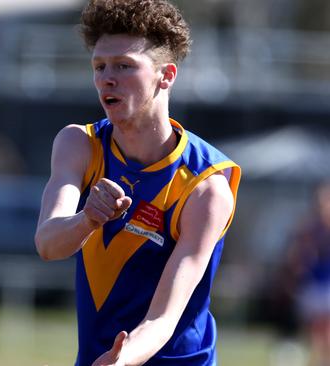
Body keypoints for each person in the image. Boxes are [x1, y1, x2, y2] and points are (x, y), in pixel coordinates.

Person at [34, 0, 241, 365]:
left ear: (167, 75)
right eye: (99, 66)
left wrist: (122, 359)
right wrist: (87, 219)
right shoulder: (78, 145)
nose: (106, 78)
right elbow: (48, 243)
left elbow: (163, 319)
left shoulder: (205, 187)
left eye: (125, 66)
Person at [280, 182, 330, 366]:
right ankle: (320, 360)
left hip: (327, 284)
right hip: (312, 283)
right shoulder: (308, 227)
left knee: (325, 326)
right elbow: (297, 255)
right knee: (314, 328)